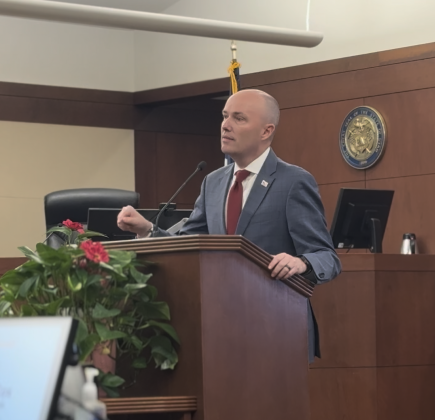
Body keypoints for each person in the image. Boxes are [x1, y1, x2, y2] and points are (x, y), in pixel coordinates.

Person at [117, 89, 341, 360]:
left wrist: (301, 262)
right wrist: (146, 230)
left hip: (277, 327)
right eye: (224, 116)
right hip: (219, 328)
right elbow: (189, 245)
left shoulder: (293, 181)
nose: (225, 125)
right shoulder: (213, 182)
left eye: (239, 118)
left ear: (266, 131)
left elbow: (327, 258)